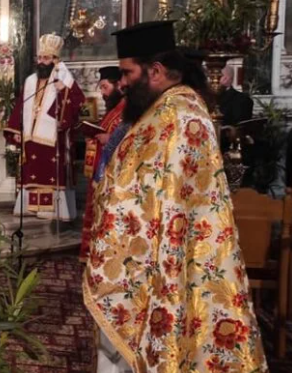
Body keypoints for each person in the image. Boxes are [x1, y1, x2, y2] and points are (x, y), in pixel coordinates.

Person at [85, 21, 266, 372]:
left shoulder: (179, 118)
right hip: (152, 256)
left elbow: (157, 197)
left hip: (161, 263)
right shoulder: (164, 111)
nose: (122, 82)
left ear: (155, 71)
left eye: (127, 72)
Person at [5, 33, 85, 220]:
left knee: (49, 171)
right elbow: (21, 105)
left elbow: (78, 101)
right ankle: (30, 207)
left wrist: (63, 90)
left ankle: (53, 209)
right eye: (40, 58)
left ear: (55, 60)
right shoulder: (31, 81)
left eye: (46, 58)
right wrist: (16, 129)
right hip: (31, 136)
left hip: (53, 137)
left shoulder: (64, 78)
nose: (41, 62)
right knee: (31, 169)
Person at [79, 66, 125, 262]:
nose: (102, 93)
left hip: (112, 174)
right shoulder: (115, 108)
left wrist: (110, 137)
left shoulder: (126, 107)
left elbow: (128, 135)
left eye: (105, 87)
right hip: (101, 171)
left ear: (118, 86)